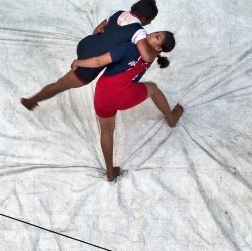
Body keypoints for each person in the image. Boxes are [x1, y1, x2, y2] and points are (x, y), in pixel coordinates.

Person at [69, 30, 183, 181]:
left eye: (157, 36)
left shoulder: (129, 48)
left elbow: (97, 62)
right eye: (157, 32)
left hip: (103, 94)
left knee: (107, 132)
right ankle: (171, 119)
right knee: (153, 89)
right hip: (123, 96)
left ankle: (110, 171)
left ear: (159, 48)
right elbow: (148, 55)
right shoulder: (151, 55)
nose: (152, 33)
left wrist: (77, 62)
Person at [22, 0, 159, 110]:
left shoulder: (117, 13)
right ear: (144, 18)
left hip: (86, 45)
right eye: (151, 20)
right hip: (90, 63)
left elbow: (98, 29)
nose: (151, 23)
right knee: (60, 85)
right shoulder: (138, 31)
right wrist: (158, 51)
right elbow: (146, 57)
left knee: (61, 83)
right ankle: (31, 101)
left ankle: (33, 100)